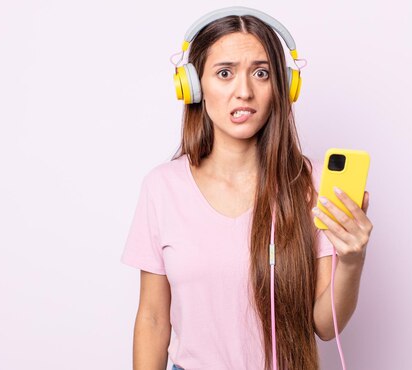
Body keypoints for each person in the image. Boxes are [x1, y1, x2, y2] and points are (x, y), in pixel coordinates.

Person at [121, 7, 373, 370]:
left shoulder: (312, 184)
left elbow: (324, 326)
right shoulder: (163, 187)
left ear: (283, 86)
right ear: (193, 86)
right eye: (225, 73)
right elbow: (153, 319)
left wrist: (352, 260)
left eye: (261, 73)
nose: (244, 91)